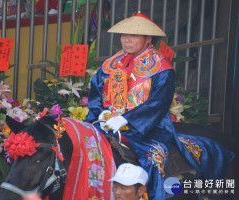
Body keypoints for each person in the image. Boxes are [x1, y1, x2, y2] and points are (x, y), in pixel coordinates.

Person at [86, 12, 235, 200]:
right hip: (107, 124)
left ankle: (156, 196)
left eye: (133, 36)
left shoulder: (161, 67)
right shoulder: (110, 64)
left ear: (147, 38)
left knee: (153, 158)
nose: (127, 40)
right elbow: (95, 93)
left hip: (149, 128)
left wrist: (126, 119)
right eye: (124, 35)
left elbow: (158, 103)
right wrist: (100, 115)